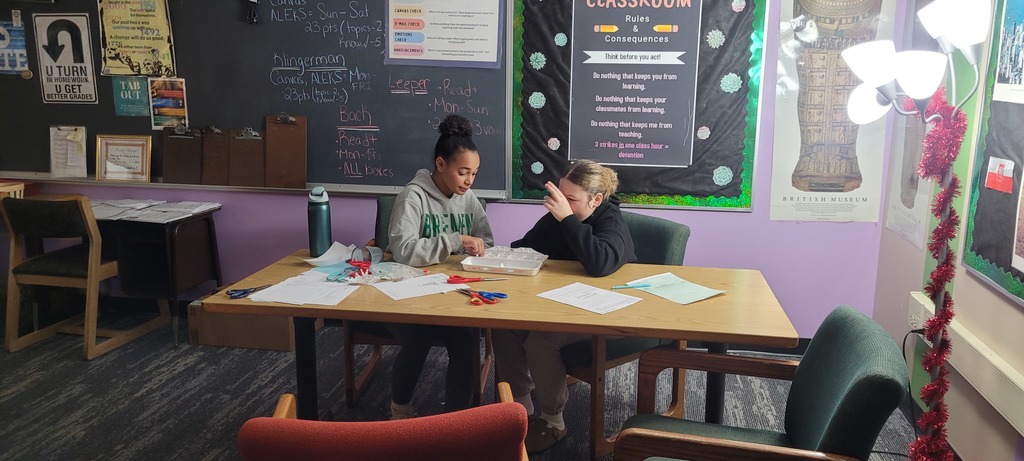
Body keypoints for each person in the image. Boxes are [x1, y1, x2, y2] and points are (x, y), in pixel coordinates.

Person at [493, 159, 636, 452]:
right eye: (560, 194)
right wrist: (498, 257)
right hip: (562, 304)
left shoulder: (611, 221)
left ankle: (553, 419)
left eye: (570, 198)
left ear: (596, 199)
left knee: (541, 339)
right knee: (505, 325)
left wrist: (568, 219)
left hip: (606, 313)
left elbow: (599, 263)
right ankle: (519, 404)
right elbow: (527, 246)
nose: (561, 203)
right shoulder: (560, 216)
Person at [384, 113, 493, 420]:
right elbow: (404, 250)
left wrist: (480, 246)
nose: (470, 181)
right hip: (406, 291)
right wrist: (455, 239)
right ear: (441, 164)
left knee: (466, 340)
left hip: (449, 291)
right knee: (417, 340)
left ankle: (455, 420)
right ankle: (400, 409)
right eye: (463, 172)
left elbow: (486, 239)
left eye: (474, 173)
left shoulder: (468, 198)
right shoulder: (413, 196)